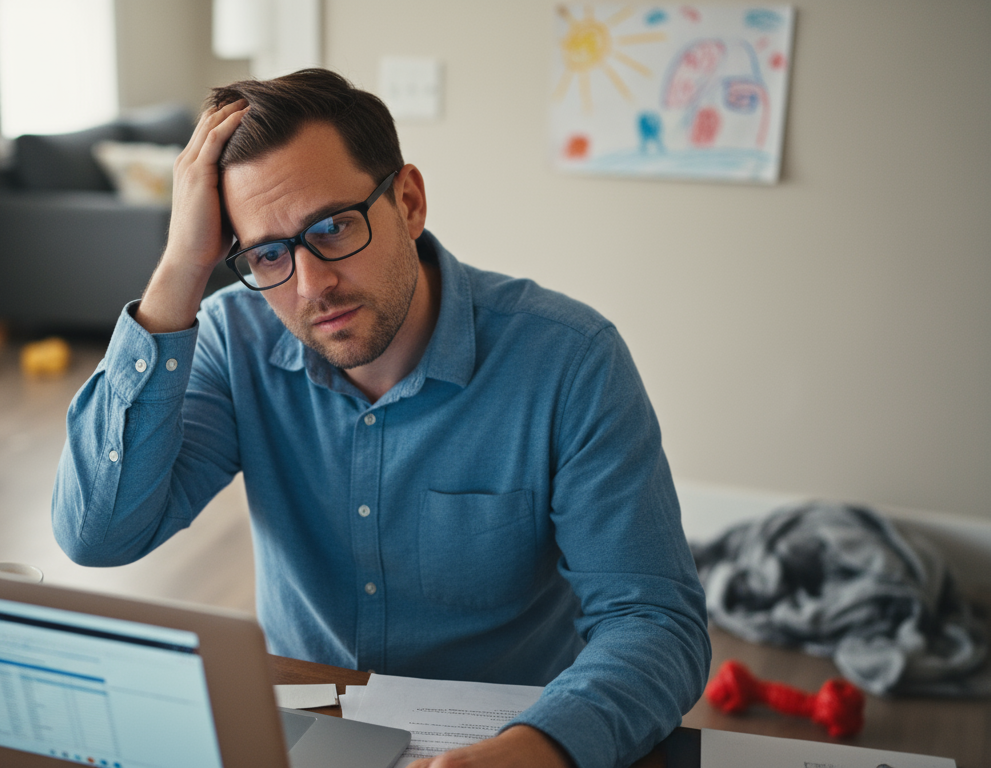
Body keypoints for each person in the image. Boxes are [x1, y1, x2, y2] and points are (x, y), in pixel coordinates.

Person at [53, 69, 710, 768]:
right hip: (310, 726)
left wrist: (539, 749)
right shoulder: (231, 338)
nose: (312, 286)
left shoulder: (570, 360)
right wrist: (180, 266)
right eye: (269, 254)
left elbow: (653, 622)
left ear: (409, 200)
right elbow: (99, 536)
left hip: (514, 734)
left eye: (333, 228)